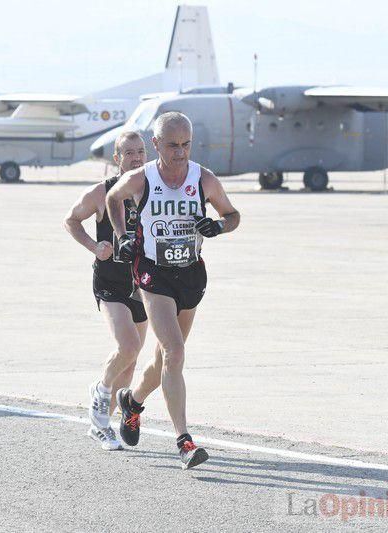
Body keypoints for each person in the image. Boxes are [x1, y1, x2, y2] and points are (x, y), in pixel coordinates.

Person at [106, 112, 240, 469]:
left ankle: (132, 402)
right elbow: (113, 199)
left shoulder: (203, 179)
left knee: (166, 359)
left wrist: (218, 227)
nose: (180, 153)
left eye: (186, 145)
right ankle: (184, 441)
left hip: (191, 274)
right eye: (172, 146)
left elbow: (233, 215)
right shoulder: (141, 178)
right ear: (156, 144)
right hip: (153, 273)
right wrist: (122, 237)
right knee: (175, 351)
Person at [63, 131, 162, 450]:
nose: (136, 157)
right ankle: (102, 392)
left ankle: (101, 423)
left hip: (143, 285)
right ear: (117, 159)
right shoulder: (102, 192)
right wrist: (94, 246)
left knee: (130, 362)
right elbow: (71, 220)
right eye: (129, 153)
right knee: (129, 345)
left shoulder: (154, 190)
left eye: (140, 151)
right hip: (110, 283)